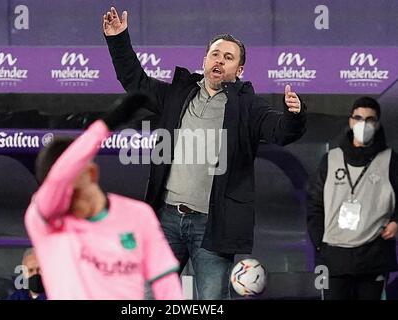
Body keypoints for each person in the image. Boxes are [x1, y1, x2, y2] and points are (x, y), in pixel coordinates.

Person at [103, 7, 307, 299]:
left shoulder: (249, 108)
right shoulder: (177, 94)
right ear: (204, 60)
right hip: (166, 219)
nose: (219, 61)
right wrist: (118, 39)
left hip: (212, 226)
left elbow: (281, 131)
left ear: (239, 70)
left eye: (228, 58)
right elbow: (136, 81)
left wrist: (295, 114)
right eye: (215, 54)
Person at [24, 114, 183, 300]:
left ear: (91, 173)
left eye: (73, 193)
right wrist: (102, 128)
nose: (65, 202)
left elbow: (166, 284)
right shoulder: (48, 223)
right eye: (59, 195)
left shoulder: (139, 215)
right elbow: (56, 184)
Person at [307, 97, 398, 300]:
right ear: (350, 121)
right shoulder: (330, 159)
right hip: (334, 256)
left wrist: (396, 222)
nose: (363, 124)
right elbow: (314, 204)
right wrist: (320, 243)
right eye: (358, 118)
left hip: (373, 255)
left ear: (378, 123)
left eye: (369, 119)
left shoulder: (391, 161)